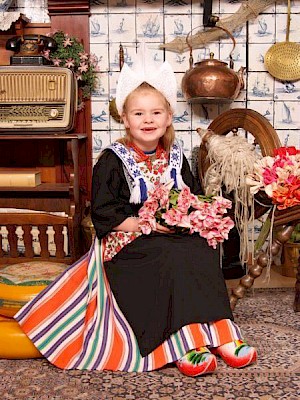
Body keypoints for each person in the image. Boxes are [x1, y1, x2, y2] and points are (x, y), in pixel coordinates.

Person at [15, 54, 257, 377]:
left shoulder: (176, 157)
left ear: (168, 117)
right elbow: (104, 213)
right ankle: (185, 344)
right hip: (126, 240)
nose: (148, 119)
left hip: (168, 234)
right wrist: (147, 224)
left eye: (156, 112)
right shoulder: (113, 160)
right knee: (167, 254)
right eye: (139, 113)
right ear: (126, 120)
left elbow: (193, 197)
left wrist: (194, 216)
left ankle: (224, 335)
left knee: (203, 247)